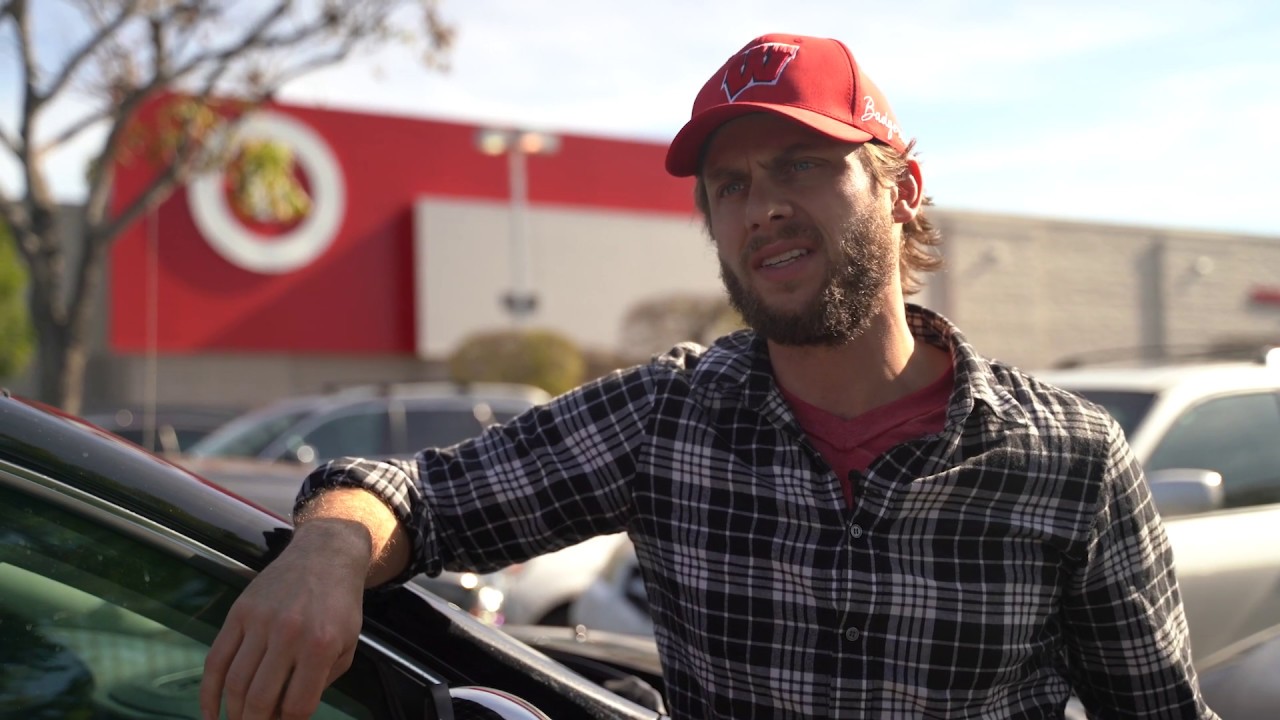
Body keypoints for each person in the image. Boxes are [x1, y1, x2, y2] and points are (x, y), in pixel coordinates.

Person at [201, 33, 1217, 719]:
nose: (759, 206)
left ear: (901, 189)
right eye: (729, 185)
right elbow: (419, 496)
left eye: (801, 163)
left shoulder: (1067, 459)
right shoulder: (668, 418)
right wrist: (328, 550)